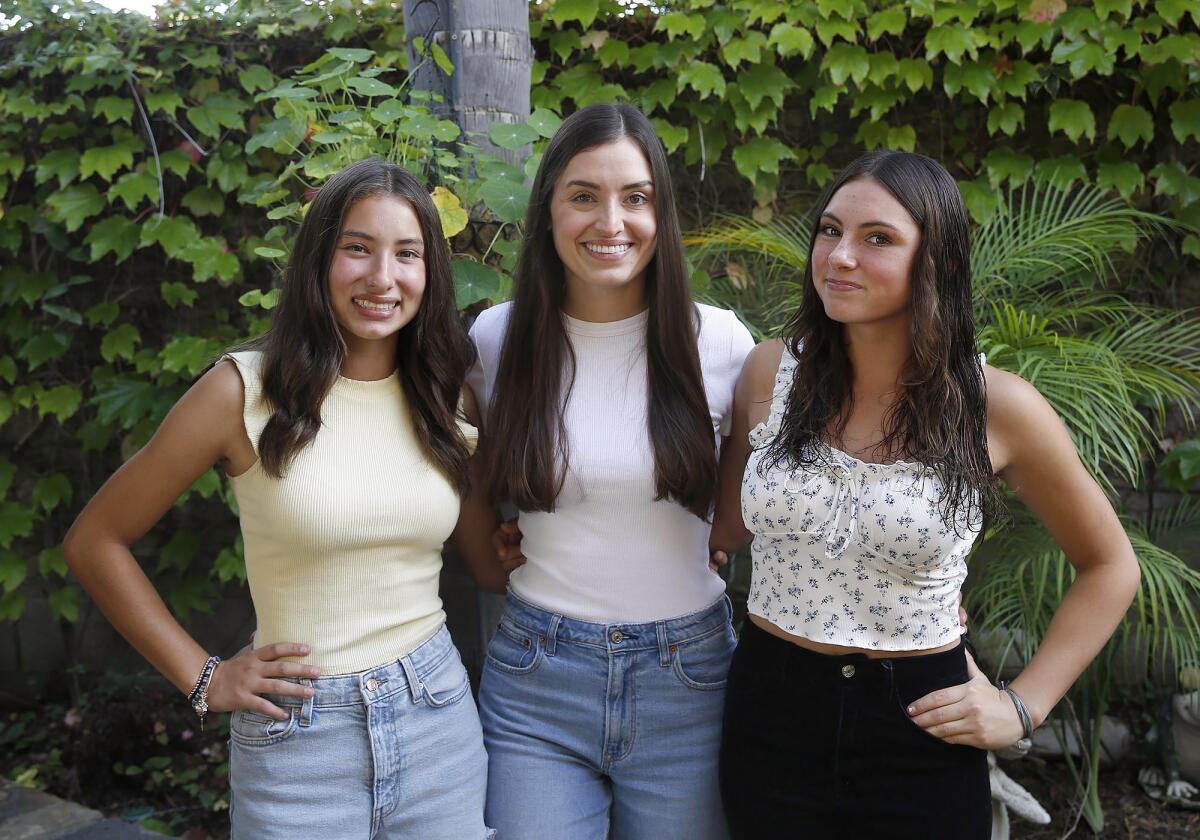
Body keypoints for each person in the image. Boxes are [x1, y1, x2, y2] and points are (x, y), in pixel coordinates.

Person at [710, 150, 1141, 839]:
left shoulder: (997, 406)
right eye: (829, 230)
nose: (840, 255)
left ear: (934, 261)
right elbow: (721, 528)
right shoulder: (771, 372)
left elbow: (1112, 566)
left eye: (877, 238)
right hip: (771, 712)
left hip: (920, 723)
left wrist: (1023, 707)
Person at [63, 160, 499, 839]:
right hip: (300, 738)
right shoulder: (241, 392)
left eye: (406, 253)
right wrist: (205, 678)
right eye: (357, 247)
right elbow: (95, 541)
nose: (383, 278)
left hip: (435, 714)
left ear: (429, 271)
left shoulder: (446, 394)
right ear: (318, 258)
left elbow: (488, 559)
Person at [458, 103, 754, 839]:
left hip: (690, 680)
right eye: (584, 196)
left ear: (663, 212)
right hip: (537, 680)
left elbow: (750, 510)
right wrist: (488, 553)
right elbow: (464, 478)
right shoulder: (495, 337)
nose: (610, 222)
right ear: (550, 209)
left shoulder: (716, 341)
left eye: (636, 197)